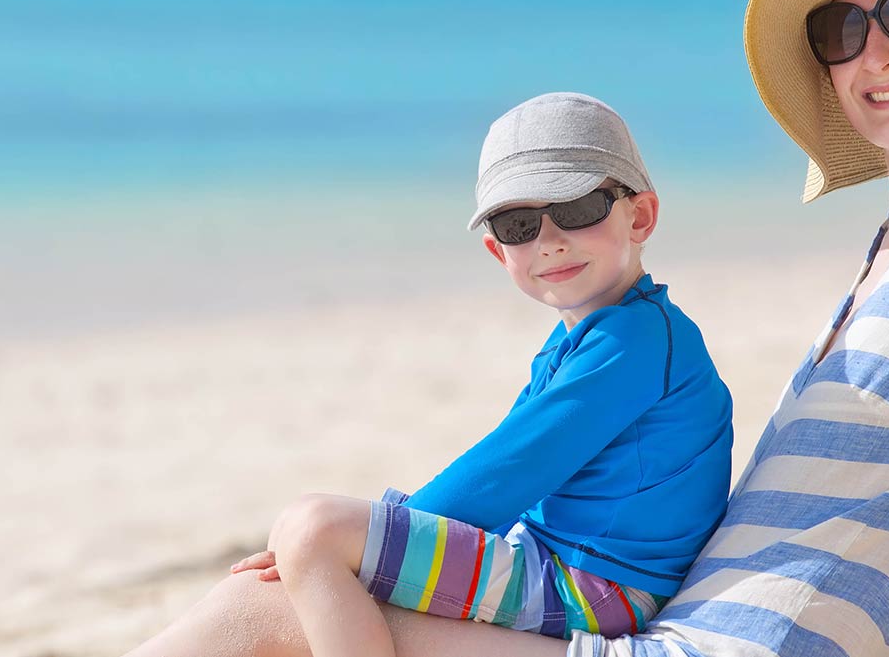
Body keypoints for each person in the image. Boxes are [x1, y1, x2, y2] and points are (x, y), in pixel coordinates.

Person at [123, 0, 889, 657]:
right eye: (841, 29)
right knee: (273, 608)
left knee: (260, 616)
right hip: (687, 628)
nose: (874, 51)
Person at [126, 92, 735, 657]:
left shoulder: (636, 339)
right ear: (499, 252)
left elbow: (509, 470)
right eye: (519, 226)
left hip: (600, 589)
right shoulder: (590, 335)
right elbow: (508, 466)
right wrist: (376, 539)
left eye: (577, 208)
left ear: (641, 216)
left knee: (314, 527)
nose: (549, 240)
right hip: (566, 565)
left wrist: (371, 539)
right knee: (293, 558)